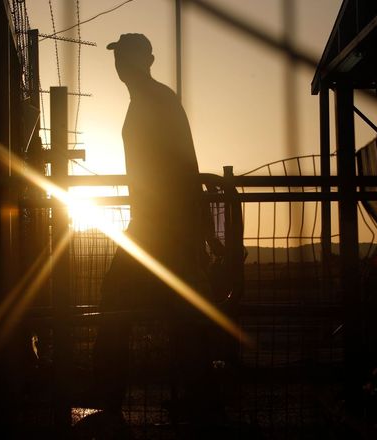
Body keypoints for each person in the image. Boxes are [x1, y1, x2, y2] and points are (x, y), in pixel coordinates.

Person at [92, 33, 220, 427]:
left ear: (146, 60)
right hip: (157, 224)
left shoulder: (157, 101)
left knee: (118, 302)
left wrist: (199, 230)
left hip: (161, 226)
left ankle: (111, 397)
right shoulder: (149, 100)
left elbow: (184, 165)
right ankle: (195, 400)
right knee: (178, 314)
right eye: (118, 57)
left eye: (127, 56)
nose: (120, 63)